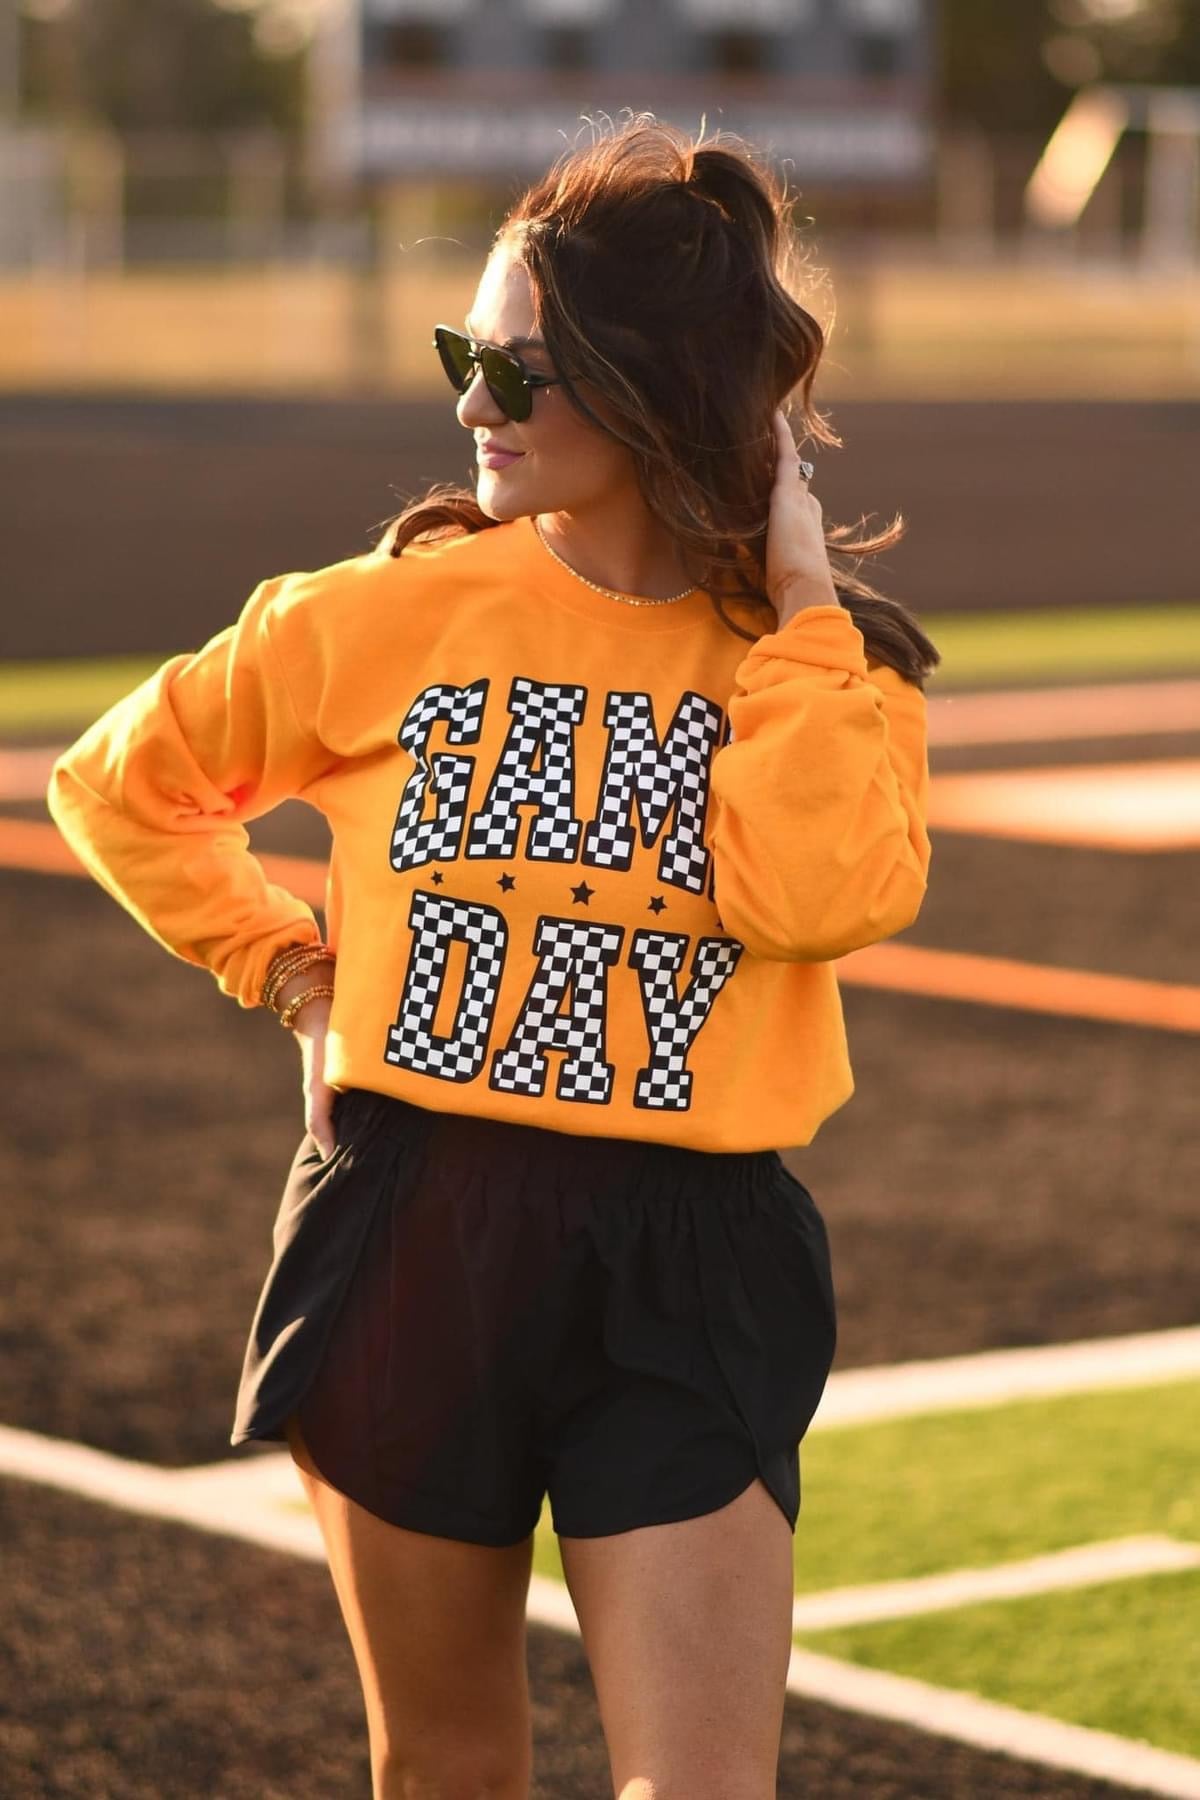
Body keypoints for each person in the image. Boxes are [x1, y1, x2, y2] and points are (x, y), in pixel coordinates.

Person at [47, 114, 939, 1800]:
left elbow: (815, 893)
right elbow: (121, 784)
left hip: (696, 1254)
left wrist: (806, 603)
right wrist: (291, 971)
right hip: (416, 1225)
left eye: (523, 369)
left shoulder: (823, 668)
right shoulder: (378, 618)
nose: (474, 406)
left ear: (653, 385)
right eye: (468, 356)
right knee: (449, 1767)